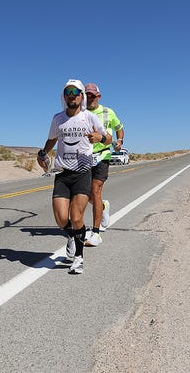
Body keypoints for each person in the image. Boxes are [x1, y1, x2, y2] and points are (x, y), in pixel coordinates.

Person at [37, 79, 108, 274]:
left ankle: (78, 258)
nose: (72, 95)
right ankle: (72, 235)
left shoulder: (89, 118)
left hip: (83, 173)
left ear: (81, 96)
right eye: (68, 91)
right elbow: (52, 139)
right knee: (61, 219)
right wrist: (43, 153)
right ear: (64, 96)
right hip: (62, 174)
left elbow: (108, 137)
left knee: (76, 217)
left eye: (76, 92)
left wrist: (100, 138)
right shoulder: (58, 118)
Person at [83, 82, 124, 247]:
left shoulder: (108, 112)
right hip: (84, 157)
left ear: (98, 96)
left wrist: (119, 140)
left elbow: (119, 127)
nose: (89, 98)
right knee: (85, 195)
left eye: (92, 95)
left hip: (103, 155)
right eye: (86, 95)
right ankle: (103, 207)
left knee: (95, 189)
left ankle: (95, 233)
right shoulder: (80, 113)